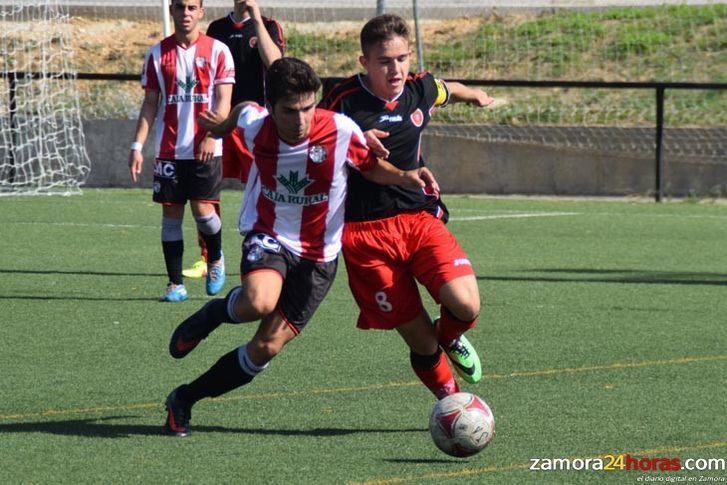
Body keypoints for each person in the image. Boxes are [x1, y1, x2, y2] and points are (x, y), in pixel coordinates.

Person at [162, 57, 440, 436]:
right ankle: (213, 316)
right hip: (270, 236)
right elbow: (243, 110)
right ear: (272, 107)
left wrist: (407, 176)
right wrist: (222, 127)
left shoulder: (341, 130)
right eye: (290, 111)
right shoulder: (258, 129)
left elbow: (370, 166)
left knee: (266, 347)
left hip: (320, 258)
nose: (301, 119)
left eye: (309, 108)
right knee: (258, 302)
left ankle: (184, 399)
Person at [318, 14, 494, 398]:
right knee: (421, 342)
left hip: (418, 218)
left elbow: (449, 89)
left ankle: (450, 335)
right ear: (364, 61)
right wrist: (352, 137)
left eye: (402, 58)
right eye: (384, 61)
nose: (395, 68)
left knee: (465, 304)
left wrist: (476, 95)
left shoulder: (421, 88)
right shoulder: (342, 101)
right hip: (364, 233)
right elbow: (313, 141)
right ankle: (453, 404)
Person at [128, 0, 233, 301]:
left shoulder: (218, 51)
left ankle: (215, 258)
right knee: (171, 214)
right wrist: (137, 146)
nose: (185, 13)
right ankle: (175, 284)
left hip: (206, 147)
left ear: (201, 12)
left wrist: (212, 135)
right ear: (171, 11)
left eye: (191, 7)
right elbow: (150, 104)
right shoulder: (157, 54)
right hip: (169, 149)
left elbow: (224, 101)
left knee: (203, 211)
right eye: (179, 7)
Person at [183, 0, 285, 279]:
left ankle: (264, 251)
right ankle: (208, 256)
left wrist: (256, 17)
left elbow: (276, 63)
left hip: (255, 124)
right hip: (220, 120)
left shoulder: (269, 26)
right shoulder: (217, 28)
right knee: (206, 190)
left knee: (261, 190)